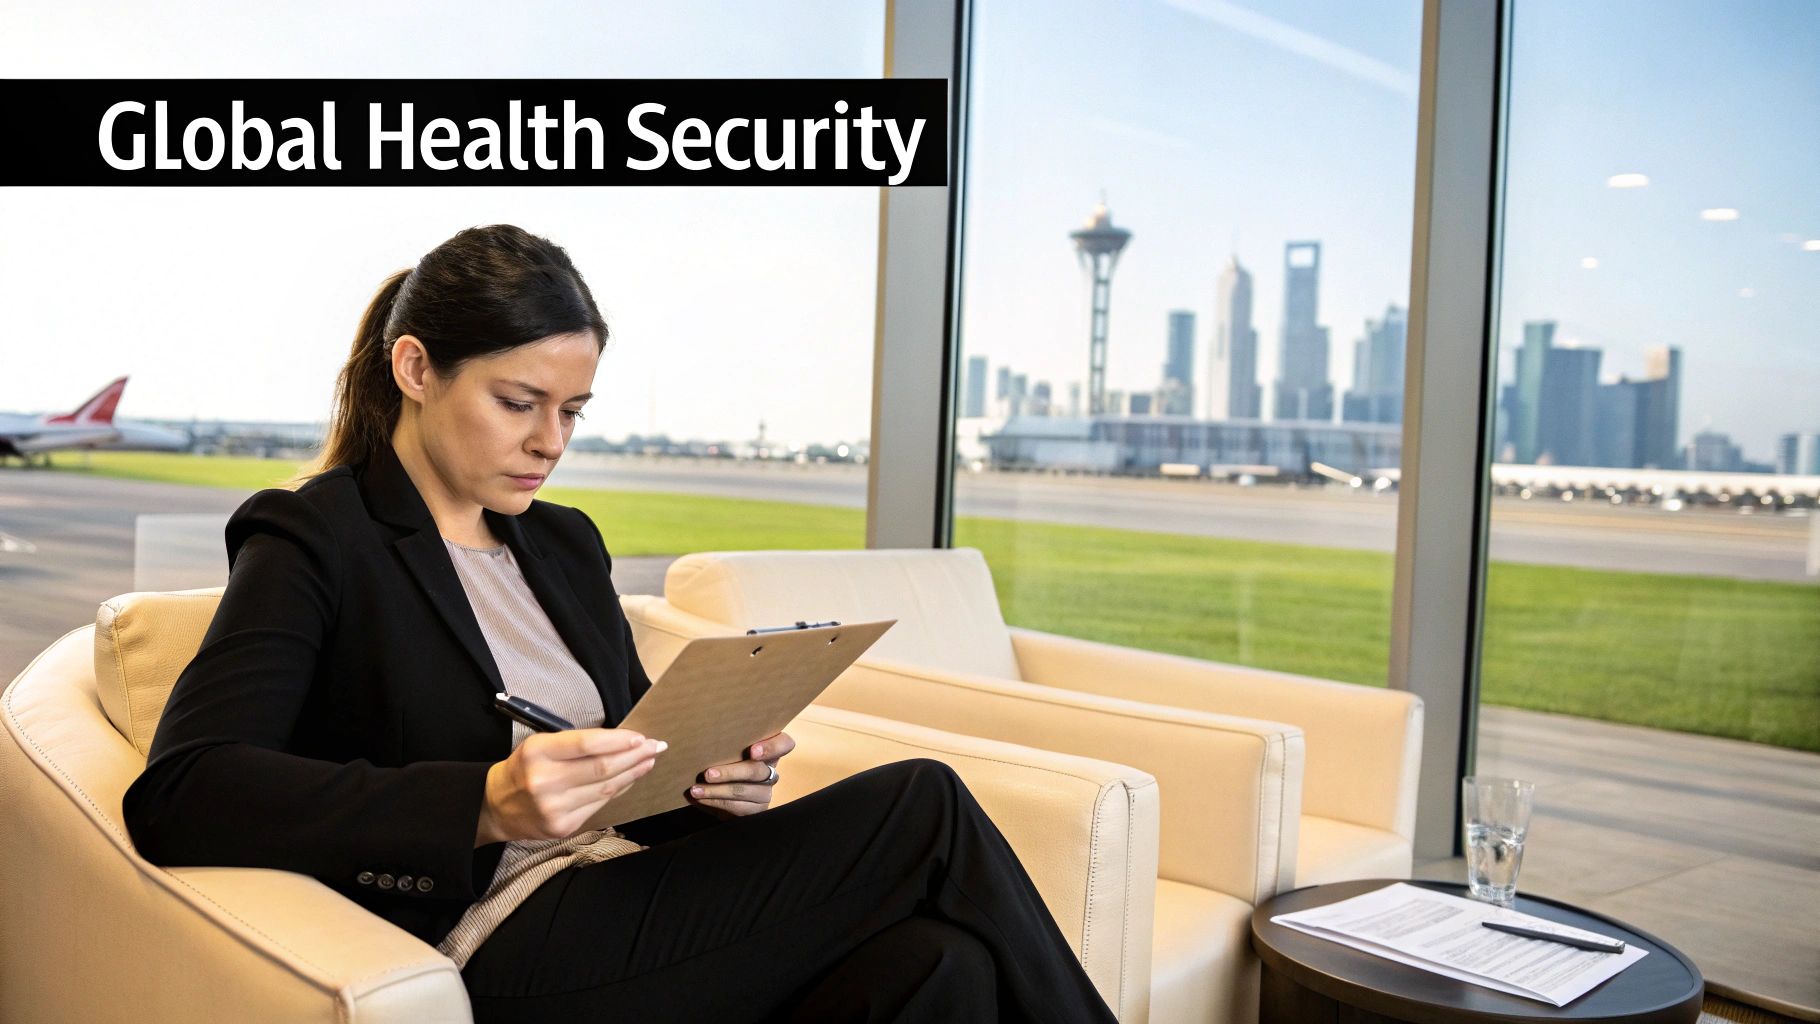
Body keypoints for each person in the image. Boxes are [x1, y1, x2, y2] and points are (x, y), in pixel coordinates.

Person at [122, 223, 1119, 1023]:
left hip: (631, 890)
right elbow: (183, 791)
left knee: (939, 965)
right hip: (500, 932)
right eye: (519, 402)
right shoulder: (316, 536)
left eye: (573, 411)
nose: (549, 442)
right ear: (416, 369)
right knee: (924, 806)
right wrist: (480, 802)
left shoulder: (562, 544)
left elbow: (626, 765)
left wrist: (709, 784)